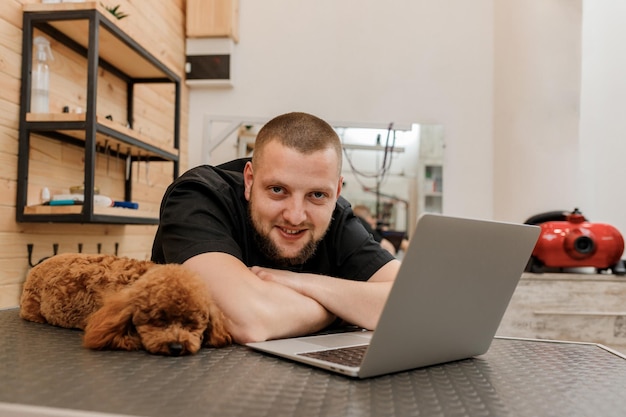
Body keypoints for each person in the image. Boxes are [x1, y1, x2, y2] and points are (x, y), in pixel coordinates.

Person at [151, 112, 401, 344]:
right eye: (278, 190)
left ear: (336, 192)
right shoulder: (198, 197)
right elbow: (250, 319)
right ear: (249, 180)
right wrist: (346, 309)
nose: (295, 216)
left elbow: (414, 301)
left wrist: (302, 283)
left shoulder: (336, 216)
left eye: (316, 194)